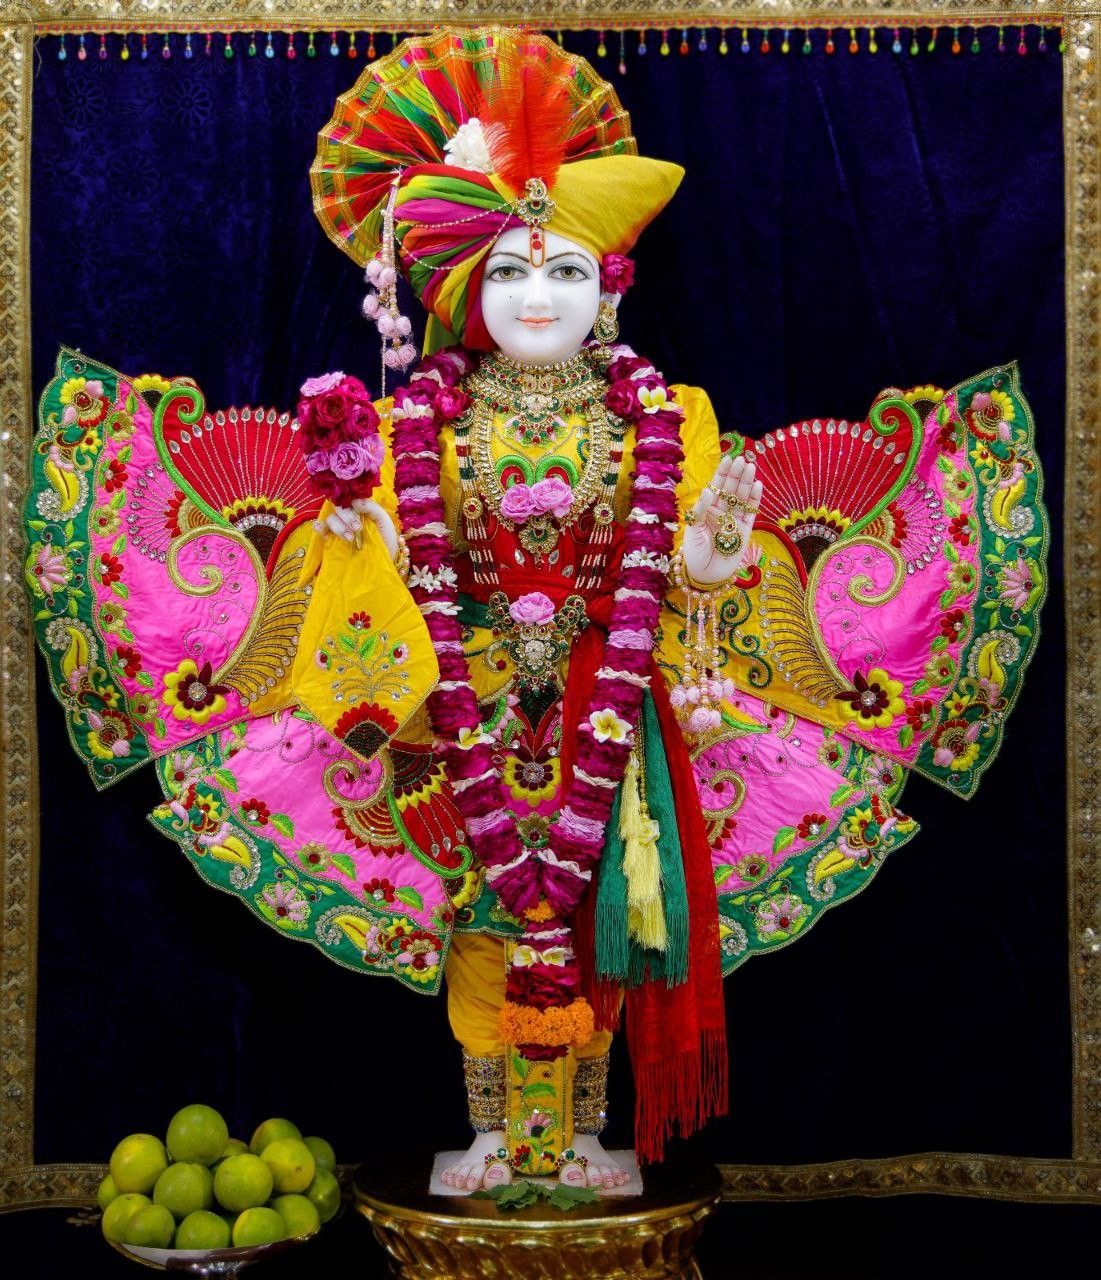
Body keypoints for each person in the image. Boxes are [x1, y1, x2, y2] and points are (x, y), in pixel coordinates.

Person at [25, 27, 1047, 1194]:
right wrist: (352, 531)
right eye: (508, 271)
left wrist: (717, 536)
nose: (537, 294)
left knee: (611, 906)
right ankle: (499, 1136)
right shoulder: (422, 423)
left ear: (606, 290)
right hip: (454, 705)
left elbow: (702, 577)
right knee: (482, 915)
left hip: (617, 709)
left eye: (564, 268)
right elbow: (395, 557)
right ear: (463, 294)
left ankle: (585, 1138)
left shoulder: (673, 416)